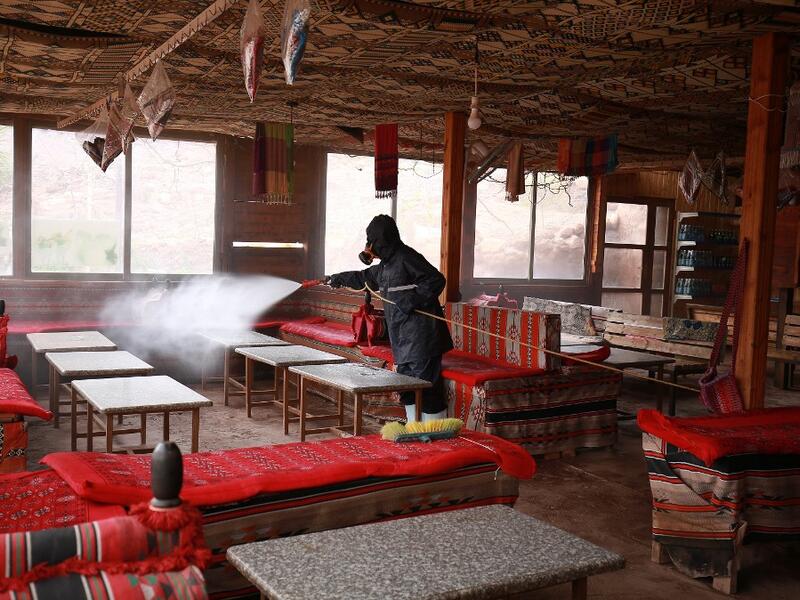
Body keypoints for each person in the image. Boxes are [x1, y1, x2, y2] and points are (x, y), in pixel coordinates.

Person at [326, 214, 453, 423]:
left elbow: (436, 279)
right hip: (402, 339)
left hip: (422, 337)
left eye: (371, 240)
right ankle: (415, 430)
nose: (368, 246)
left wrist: (411, 300)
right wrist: (336, 278)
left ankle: (434, 435)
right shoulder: (385, 266)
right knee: (407, 388)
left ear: (380, 241)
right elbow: (363, 277)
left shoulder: (406, 257)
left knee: (426, 387)